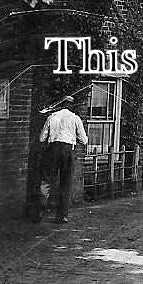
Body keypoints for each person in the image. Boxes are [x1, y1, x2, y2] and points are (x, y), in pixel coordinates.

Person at [38, 95, 88, 223]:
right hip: (67, 151)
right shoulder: (75, 118)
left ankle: (40, 211)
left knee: (46, 181)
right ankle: (61, 216)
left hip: (52, 150)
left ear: (61, 105)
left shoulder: (52, 117)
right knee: (66, 183)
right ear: (71, 105)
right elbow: (84, 140)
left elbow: (41, 138)